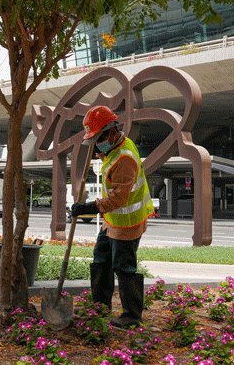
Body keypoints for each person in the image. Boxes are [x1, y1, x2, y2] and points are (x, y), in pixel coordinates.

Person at [71, 106, 156, 328]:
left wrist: (87, 208)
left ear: (111, 132)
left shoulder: (125, 158)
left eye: (99, 138)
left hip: (128, 221)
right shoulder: (113, 149)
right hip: (113, 221)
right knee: (101, 259)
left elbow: (119, 198)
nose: (97, 143)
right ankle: (99, 306)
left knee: (124, 266)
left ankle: (131, 315)